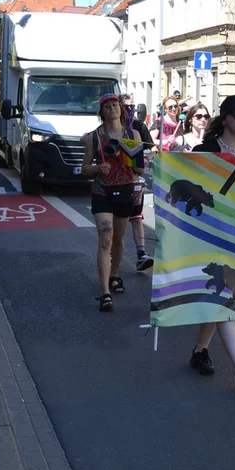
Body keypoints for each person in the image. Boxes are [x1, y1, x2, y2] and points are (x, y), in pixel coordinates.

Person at [189, 95, 235, 394]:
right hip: (208, 236)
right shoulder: (203, 151)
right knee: (225, 302)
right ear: (225, 118)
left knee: (217, 300)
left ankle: (199, 351)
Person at [82, 94, 145, 312]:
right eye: (107, 107)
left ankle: (115, 275)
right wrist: (98, 168)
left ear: (121, 109)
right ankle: (104, 292)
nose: (111, 109)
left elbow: (140, 169)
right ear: (102, 112)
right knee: (106, 239)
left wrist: (126, 156)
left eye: (115, 105)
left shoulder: (132, 134)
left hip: (125, 189)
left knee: (119, 239)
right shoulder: (94, 137)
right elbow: (84, 168)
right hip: (102, 191)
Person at [124, 93, 155, 271]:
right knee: (114, 221)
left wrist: (147, 157)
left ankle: (141, 254)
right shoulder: (110, 126)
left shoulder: (138, 127)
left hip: (135, 179)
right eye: (127, 107)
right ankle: (111, 254)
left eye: (132, 107)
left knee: (136, 218)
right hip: (114, 182)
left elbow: (152, 147)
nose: (131, 110)